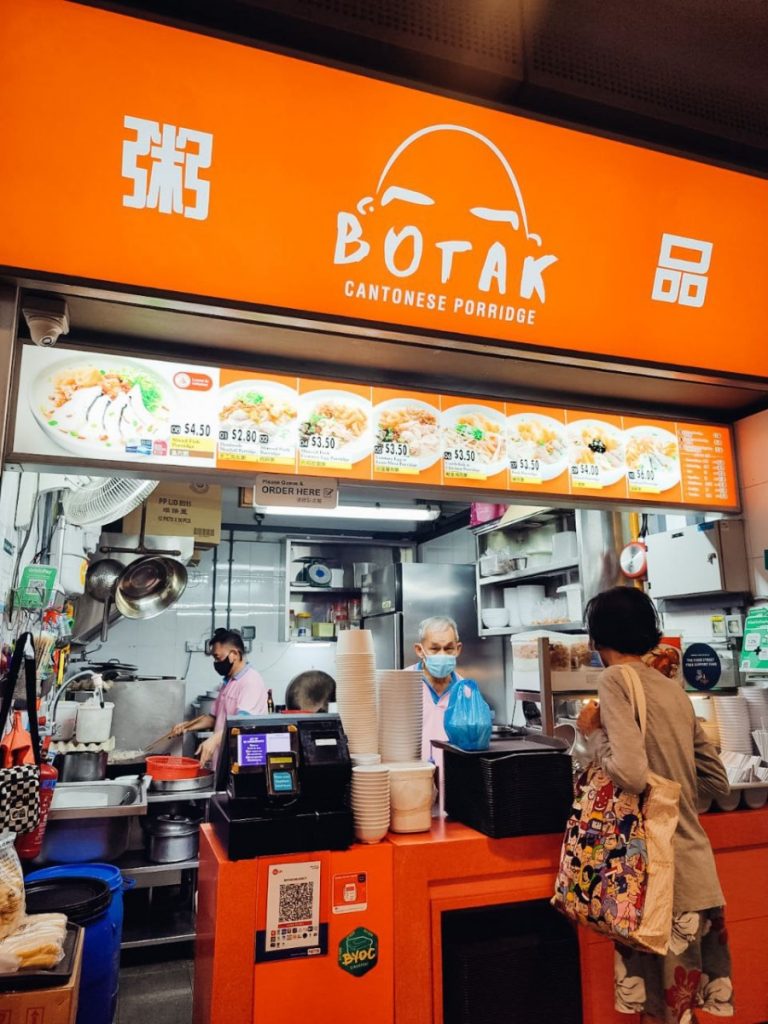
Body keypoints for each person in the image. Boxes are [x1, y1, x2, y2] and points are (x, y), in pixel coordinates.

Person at [576, 586, 733, 1024]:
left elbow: (629, 773)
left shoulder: (614, 680)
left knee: (662, 1013)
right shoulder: (672, 690)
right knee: (680, 1011)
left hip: (653, 879)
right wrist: (678, 799)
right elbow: (717, 782)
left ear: (597, 636)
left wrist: (592, 733)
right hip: (698, 873)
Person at [172, 628, 268, 766]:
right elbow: (213, 718)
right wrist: (187, 726)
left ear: (234, 654)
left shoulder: (251, 682)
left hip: (241, 760)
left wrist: (212, 740)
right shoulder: (229, 681)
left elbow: (241, 724)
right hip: (223, 758)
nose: (216, 663)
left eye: (218, 657)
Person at [409, 616, 463, 761]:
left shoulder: (465, 690)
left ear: (458, 649)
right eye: (434, 649)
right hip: (411, 775)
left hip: (454, 775)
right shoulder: (402, 685)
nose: (442, 654)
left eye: (448, 648)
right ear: (419, 650)